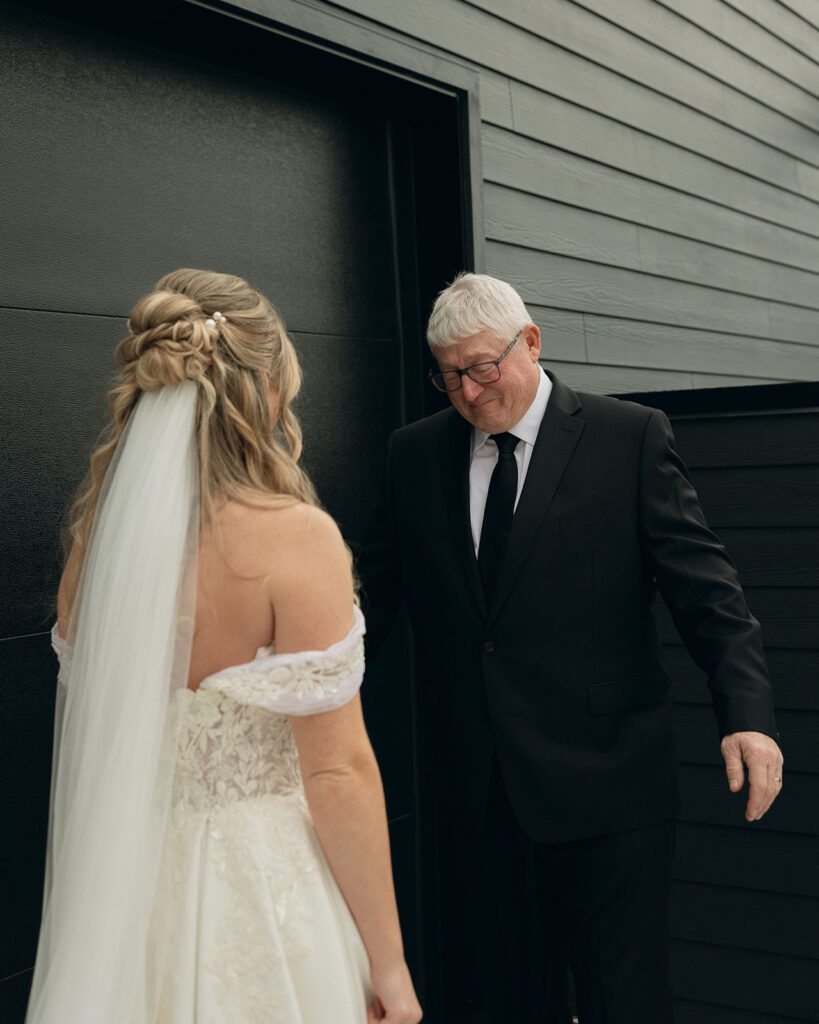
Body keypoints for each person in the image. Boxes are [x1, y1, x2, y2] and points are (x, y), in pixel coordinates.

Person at [358, 272, 783, 1023]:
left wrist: (744, 713)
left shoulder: (629, 436)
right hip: (477, 793)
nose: (466, 391)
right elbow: (372, 604)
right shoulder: (412, 455)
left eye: (481, 367)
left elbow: (705, 591)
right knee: (494, 1003)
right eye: (449, 374)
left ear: (530, 342)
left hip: (611, 786)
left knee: (622, 1001)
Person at [26, 269, 422, 1024]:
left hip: (123, 897)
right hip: (263, 897)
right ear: (262, 390)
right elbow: (337, 771)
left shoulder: (96, 547)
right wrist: (390, 967)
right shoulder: (297, 539)